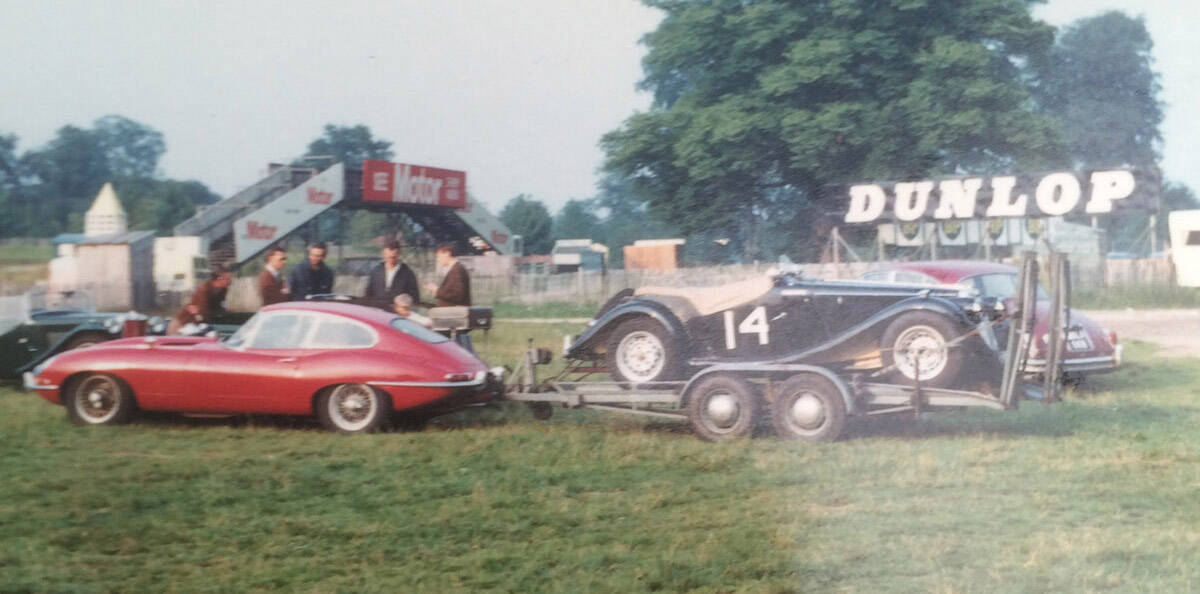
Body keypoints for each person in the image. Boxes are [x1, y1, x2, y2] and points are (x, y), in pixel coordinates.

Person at [169, 266, 232, 334]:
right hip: (182, 325)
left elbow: (220, 307)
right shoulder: (204, 289)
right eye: (227, 279)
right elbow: (202, 312)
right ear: (219, 278)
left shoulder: (223, 289)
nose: (230, 280)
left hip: (195, 326)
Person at [363, 239, 418, 310]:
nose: (391, 257)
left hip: (398, 316)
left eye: (394, 256)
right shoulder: (376, 272)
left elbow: (414, 299)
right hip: (377, 314)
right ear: (383, 253)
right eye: (389, 255)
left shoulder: (408, 274)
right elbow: (368, 296)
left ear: (399, 253)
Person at [424, 242, 471, 307]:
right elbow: (451, 293)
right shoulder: (457, 268)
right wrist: (436, 292)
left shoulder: (456, 270)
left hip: (454, 314)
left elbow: (457, 295)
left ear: (447, 253)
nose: (437, 259)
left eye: (438, 256)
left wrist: (437, 290)